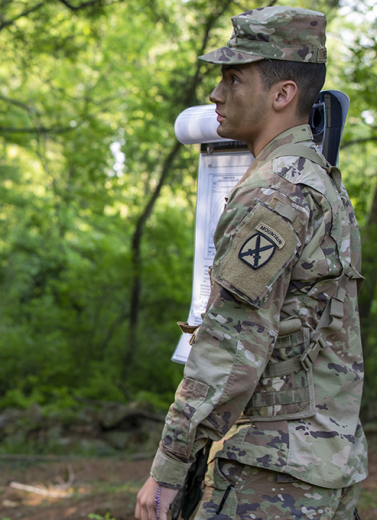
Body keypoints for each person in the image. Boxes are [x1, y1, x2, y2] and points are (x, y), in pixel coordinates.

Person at [135, 7, 366, 520]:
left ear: (282, 94)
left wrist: (169, 469)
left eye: (233, 78)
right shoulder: (320, 178)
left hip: (272, 475)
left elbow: (229, 346)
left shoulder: (275, 191)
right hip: (324, 462)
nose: (216, 94)